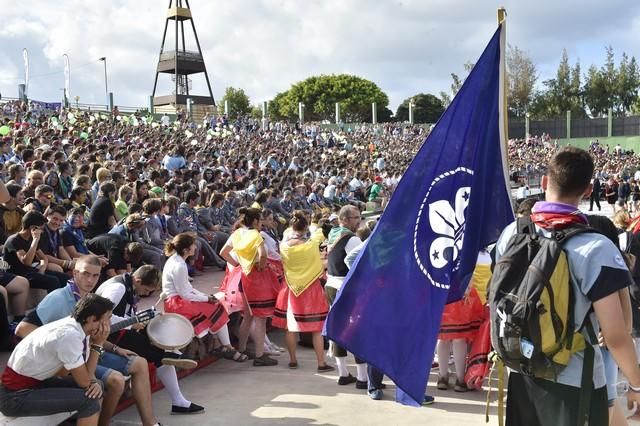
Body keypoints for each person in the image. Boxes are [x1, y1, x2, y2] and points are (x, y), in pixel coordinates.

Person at [495, 147, 640, 425]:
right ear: (587, 191)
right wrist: (636, 385)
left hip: (522, 372)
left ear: (546, 182)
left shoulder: (512, 233)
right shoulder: (596, 247)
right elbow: (615, 334)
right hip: (577, 381)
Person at [14, 255, 161, 426]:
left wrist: (115, 348)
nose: (90, 280)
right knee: (115, 380)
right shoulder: (59, 297)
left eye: (95, 275)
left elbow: (89, 338)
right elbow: (22, 329)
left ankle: (149, 423)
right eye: (85, 274)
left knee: (139, 363)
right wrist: (55, 350)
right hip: (66, 359)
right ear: (75, 273)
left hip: (85, 351)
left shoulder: (88, 299)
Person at [96, 265, 205, 415]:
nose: (147, 294)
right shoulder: (117, 288)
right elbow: (101, 318)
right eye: (147, 290)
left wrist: (140, 317)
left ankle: (170, 359)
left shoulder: (127, 285)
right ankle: (170, 360)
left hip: (118, 332)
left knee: (158, 342)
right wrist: (133, 323)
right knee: (157, 352)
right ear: (138, 281)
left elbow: (121, 315)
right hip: (106, 337)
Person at [0, 293, 112, 425]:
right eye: (108, 318)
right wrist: (98, 344)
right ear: (93, 319)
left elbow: (65, 374)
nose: (109, 323)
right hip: (14, 397)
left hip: (32, 385)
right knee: (90, 402)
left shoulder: (74, 326)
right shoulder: (69, 335)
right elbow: (85, 382)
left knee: (97, 387)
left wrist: (93, 382)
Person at [162, 233, 247, 362]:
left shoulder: (177, 261)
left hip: (178, 300)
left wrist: (204, 296)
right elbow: (185, 294)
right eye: (193, 245)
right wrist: (206, 299)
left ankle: (224, 346)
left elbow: (187, 289)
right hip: (176, 303)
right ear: (186, 249)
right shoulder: (179, 265)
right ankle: (226, 347)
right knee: (216, 308)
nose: (195, 247)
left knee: (215, 305)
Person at [272, 211, 333, 372]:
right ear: (306, 227)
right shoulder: (311, 245)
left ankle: (292, 360)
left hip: (290, 287)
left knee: (289, 327)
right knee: (317, 328)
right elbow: (321, 264)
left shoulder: (283, 246)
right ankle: (321, 363)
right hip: (311, 287)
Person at [220, 207, 280, 366]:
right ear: (254, 221)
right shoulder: (256, 235)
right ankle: (260, 355)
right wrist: (261, 266)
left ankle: (242, 348)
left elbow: (223, 253)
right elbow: (264, 254)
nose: (261, 223)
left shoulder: (237, 233)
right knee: (260, 317)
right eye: (260, 220)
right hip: (257, 278)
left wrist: (237, 264)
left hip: (242, 276)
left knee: (248, 316)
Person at [324, 205, 367, 387]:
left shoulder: (333, 233)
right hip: (346, 287)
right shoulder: (353, 239)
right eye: (356, 218)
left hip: (331, 285)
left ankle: (343, 373)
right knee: (357, 329)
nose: (359, 221)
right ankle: (363, 378)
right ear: (345, 219)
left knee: (339, 328)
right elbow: (357, 265)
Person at [3, 211, 68, 293]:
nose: (42, 231)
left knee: (64, 278)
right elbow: (26, 262)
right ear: (33, 228)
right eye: (41, 229)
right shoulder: (14, 240)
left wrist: (42, 270)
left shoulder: (30, 239)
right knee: (53, 281)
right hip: (18, 274)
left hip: (30, 271)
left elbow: (44, 258)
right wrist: (35, 241)